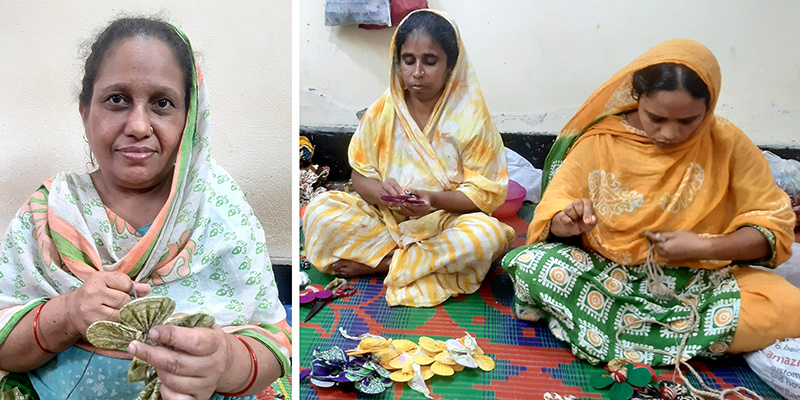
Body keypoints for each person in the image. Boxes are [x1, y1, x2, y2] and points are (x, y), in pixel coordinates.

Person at [0, 17, 290, 399]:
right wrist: (70, 313)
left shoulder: (220, 211)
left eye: (162, 103)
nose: (138, 125)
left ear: (190, 119)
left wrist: (225, 362)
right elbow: (5, 345)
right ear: (85, 111)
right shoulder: (48, 213)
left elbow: (273, 344)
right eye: (117, 99)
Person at [503, 38, 800, 366]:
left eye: (688, 121)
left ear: (710, 106)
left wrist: (705, 247)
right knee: (531, 265)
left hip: (699, 284)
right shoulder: (603, 140)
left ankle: (609, 334)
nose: (670, 134)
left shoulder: (729, 145)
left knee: (787, 306)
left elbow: (771, 226)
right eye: (655, 117)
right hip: (606, 276)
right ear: (636, 97)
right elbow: (555, 211)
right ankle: (681, 339)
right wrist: (567, 221)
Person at [303, 9, 515, 307]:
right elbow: (359, 176)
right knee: (318, 211)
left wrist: (432, 199)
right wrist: (383, 194)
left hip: (445, 222)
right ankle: (416, 263)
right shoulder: (383, 110)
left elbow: (485, 195)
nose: (417, 72)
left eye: (430, 61)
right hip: (385, 219)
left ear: (450, 65)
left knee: (486, 237)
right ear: (397, 62)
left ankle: (384, 264)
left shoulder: (472, 118)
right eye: (408, 60)